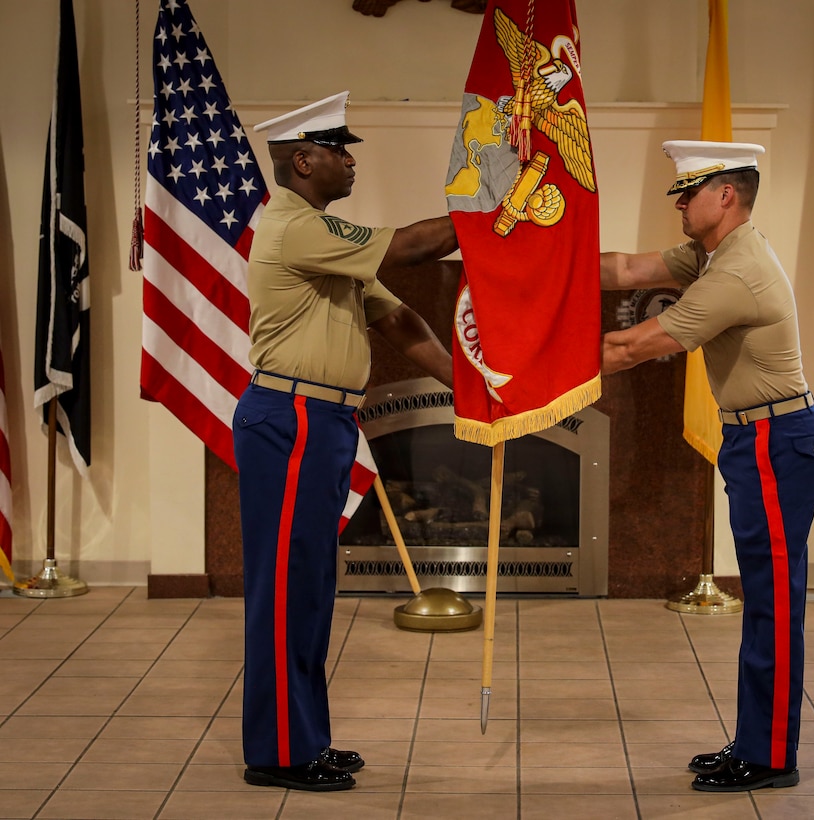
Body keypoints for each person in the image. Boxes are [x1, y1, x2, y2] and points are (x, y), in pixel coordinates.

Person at [233, 91, 457, 792]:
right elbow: (417, 246)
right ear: (303, 160)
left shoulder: (327, 241)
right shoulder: (293, 226)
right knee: (284, 588)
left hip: (323, 421)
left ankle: (306, 738)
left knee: (310, 587)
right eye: (338, 148)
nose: (349, 159)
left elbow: (398, 324)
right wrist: (493, 214)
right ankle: (277, 753)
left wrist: (470, 387)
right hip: (291, 417)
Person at [600, 140, 814, 793]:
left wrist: (531, 365)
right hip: (755, 439)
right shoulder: (709, 255)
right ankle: (755, 741)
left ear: (724, 195)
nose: (676, 201)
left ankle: (770, 756)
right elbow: (622, 269)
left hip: (777, 440)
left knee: (772, 605)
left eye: (688, 191)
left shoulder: (734, 274)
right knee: (763, 600)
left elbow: (628, 348)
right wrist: (531, 264)